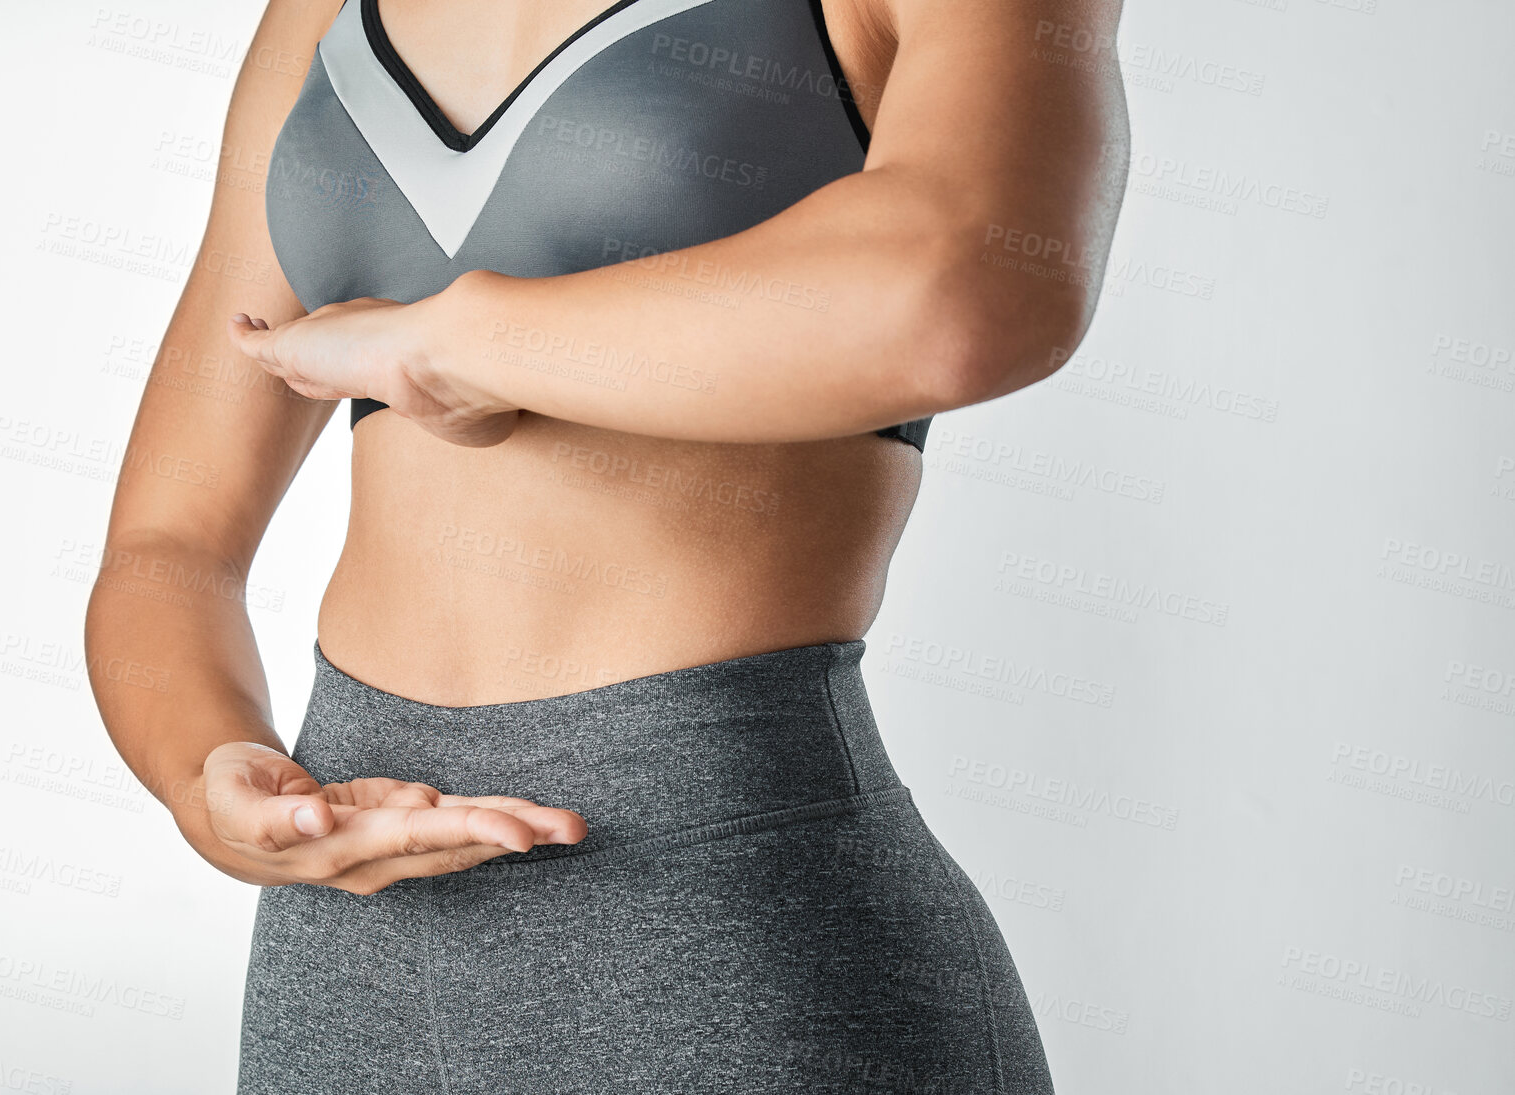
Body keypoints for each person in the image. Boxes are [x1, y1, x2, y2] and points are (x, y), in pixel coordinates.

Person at [84, 0, 1129, 1090]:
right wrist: (208, 778)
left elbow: (973, 288)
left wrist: (453, 344)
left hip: (727, 908)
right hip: (349, 934)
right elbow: (170, 543)